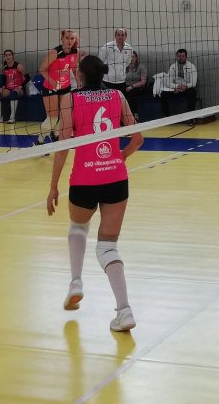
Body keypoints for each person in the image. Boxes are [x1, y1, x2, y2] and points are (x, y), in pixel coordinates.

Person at [48, 55, 143, 332]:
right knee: (108, 246)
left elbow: (63, 145)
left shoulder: (70, 99)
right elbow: (138, 139)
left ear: (80, 75)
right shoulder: (117, 95)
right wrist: (119, 157)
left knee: (78, 227)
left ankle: (76, 282)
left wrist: (53, 186)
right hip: (115, 178)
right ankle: (124, 311)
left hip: (84, 179)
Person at [35, 29, 79, 146]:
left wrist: (79, 84)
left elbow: (74, 69)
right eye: (67, 38)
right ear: (62, 39)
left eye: (72, 38)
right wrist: (52, 81)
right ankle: (39, 142)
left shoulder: (75, 52)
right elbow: (42, 69)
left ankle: (55, 134)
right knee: (52, 118)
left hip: (65, 87)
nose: (69, 41)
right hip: (51, 87)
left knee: (66, 116)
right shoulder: (55, 52)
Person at [160, 49, 198, 118]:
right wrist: (176, 86)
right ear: (176, 57)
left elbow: (193, 83)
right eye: (179, 56)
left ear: (186, 57)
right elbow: (168, 82)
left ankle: (191, 117)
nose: (181, 58)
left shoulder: (192, 67)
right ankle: (166, 117)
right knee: (163, 94)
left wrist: (185, 86)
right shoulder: (172, 67)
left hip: (186, 89)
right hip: (175, 89)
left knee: (193, 92)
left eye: (183, 56)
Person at [0, 49, 26, 124]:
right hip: (8, 88)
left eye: (9, 55)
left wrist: (21, 86)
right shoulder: (3, 66)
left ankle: (12, 117)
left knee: (13, 94)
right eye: (6, 55)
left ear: (13, 56)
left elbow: (27, 78)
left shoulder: (18, 66)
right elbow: (4, 77)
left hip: (19, 88)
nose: (7, 57)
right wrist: (4, 86)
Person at [98, 28, 134, 93]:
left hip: (121, 82)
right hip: (107, 81)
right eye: (118, 35)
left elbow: (127, 63)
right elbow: (100, 61)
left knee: (120, 99)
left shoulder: (129, 48)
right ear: (115, 36)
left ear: (126, 36)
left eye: (122, 35)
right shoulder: (107, 47)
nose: (120, 37)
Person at [123, 51, 148, 121]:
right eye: (129, 57)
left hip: (137, 87)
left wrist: (132, 86)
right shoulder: (125, 67)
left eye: (133, 57)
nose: (131, 59)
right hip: (125, 86)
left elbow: (143, 82)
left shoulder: (141, 67)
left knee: (131, 94)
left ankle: (134, 114)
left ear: (136, 58)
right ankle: (123, 115)